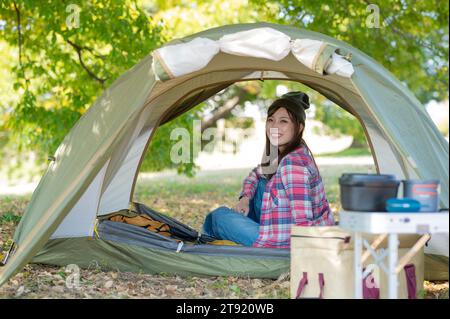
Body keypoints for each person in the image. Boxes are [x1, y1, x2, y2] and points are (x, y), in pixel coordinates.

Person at [202, 91, 335, 248]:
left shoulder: (293, 166)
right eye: (271, 120)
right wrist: (245, 198)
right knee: (262, 182)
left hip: (283, 241)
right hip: (282, 224)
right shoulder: (286, 153)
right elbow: (257, 173)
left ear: (299, 127)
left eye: (283, 121)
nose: (274, 126)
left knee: (218, 216)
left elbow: (303, 222)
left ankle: (220, 238)